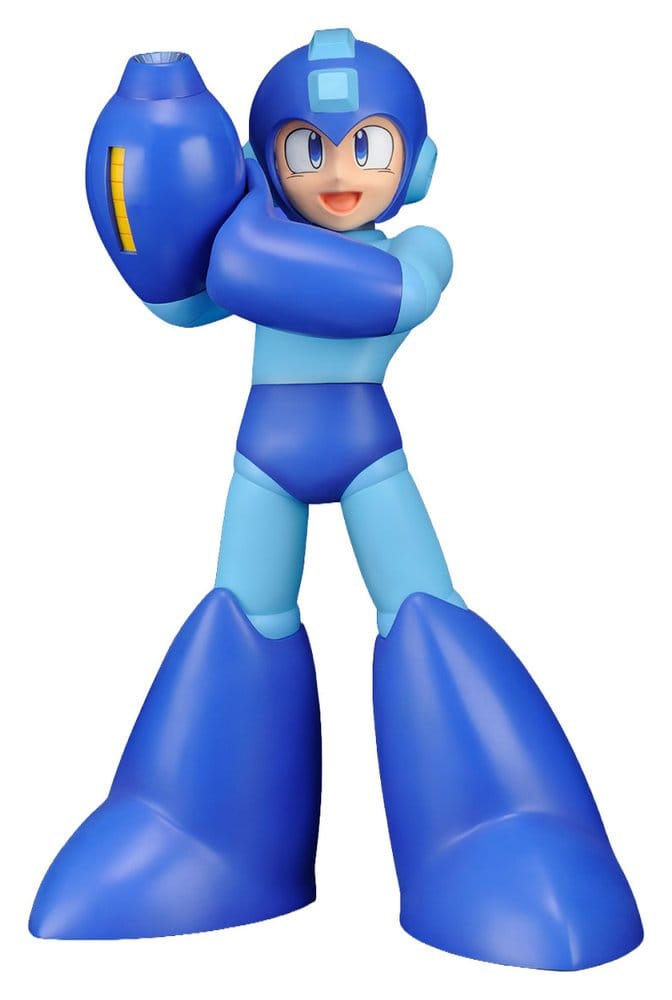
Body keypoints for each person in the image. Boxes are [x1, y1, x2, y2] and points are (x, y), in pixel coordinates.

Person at [30, 30, 642, 969]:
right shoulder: (252, 251)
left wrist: (236, 230)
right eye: (307, 148)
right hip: (263, 464)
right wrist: (149, 195)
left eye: (370, 145)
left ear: (417, 165)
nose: (340, 171)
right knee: (243, 616)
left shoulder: (413, 250)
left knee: (424, 614)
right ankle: (198, 829)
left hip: (369, 462)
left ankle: (494, 825)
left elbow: (383, 297)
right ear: (267, 160)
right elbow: (177, 301)